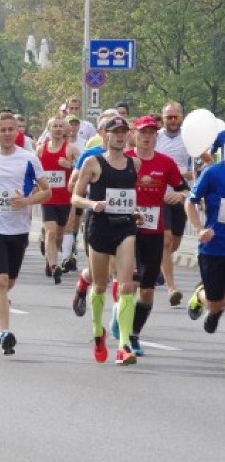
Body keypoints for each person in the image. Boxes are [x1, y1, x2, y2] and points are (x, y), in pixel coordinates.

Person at [0, 112, 51, 355]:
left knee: (9, 283)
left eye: (10, 129)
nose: (6, 134)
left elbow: (47, 192)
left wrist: (26, 201)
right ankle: (4, 332)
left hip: (19, 228)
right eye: (1, 130)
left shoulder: (29, 159)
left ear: (17, 132)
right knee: (0, 281)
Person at [72, 115, 142, 365]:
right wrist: (94, 204)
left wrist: (135, 211)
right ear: (105, 135)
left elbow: (129, 196)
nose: (120, 136)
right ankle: (97, 333)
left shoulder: (135, 163)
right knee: (100, 285)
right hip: (99, 226)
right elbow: (75, 198)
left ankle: (123, 345)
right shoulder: (93, 162)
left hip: (125, 226)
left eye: (124, 132)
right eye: (115, 132)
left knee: (126, 285)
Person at [121, 115, 188, 355]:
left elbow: (184, 188)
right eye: (143, 132)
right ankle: (124, 332)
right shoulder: (124, 160)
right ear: (134, 134)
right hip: (126, 228)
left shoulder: (166, 163)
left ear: (156, 136)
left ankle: (134, 332)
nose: (147, 137)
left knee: (147, 291)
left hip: (154, 230)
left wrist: (179, 196)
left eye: (151, 133)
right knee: (130, 283)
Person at [155, 101, 193, 306]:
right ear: (163, 118)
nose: (171, 120)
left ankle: (159, 265)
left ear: (181, 117)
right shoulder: (156, 137)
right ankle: (171, 286)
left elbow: (205, 161)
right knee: (166, 240)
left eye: (175, 117)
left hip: (181, 195)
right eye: (168, 117)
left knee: (174, 243)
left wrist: (190, 175)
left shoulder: (189, 138)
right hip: (160, 197)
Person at [185, 155, 225, 334]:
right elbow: (190, 202)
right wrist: (199, 229)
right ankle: (201, 296)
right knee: (215, 302)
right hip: (214, 246)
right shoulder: (213, 172)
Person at [37, 117, 79, 283]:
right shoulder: (41, 149)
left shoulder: (71, 149)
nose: (58, 129)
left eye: (61, 126)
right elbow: (33, 168)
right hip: (47, 197)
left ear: (65, 130)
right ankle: (54, 266)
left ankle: (50, 256)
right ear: (49, 128)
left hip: (65, 199)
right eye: (54, 126)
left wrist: (70, 166)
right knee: (51, 232)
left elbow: (85, 167)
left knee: (60, 236)